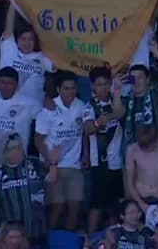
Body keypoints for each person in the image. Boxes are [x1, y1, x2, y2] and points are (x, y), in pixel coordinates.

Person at [35, 71, 88, 231]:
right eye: (66, 88)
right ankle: (50, 240)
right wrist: (50, 161)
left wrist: (85, 155)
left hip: (75, 166)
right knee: (56, 208)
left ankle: (69, 240)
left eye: (73, 88)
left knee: (74, 209)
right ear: (58, 89)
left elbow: (85, 132)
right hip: (54, 168)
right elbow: (38, 140)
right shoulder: (48, 110)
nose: (70, 92)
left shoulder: (81, 106)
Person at [0, 133, 48, 240]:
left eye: (19, 147)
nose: (17, 152)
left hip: (36, 232)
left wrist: (53, 163)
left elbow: (51, 181)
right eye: (12, 149)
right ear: (4, 151)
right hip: (9, 236)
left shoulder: (35, 164)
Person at [84, 66, 127, 235]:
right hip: (100, 163)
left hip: (118, 163)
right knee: (97, 203)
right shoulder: (89, 106)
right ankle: (89, 240)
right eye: (99, 84)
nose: (103, 88)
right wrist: (98, 122)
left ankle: (114, 240)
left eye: (106, 84)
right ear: (92, 86)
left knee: (116, 205)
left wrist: (117, 91)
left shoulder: (118, 100)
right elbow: (88, 129)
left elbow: (120, 114)